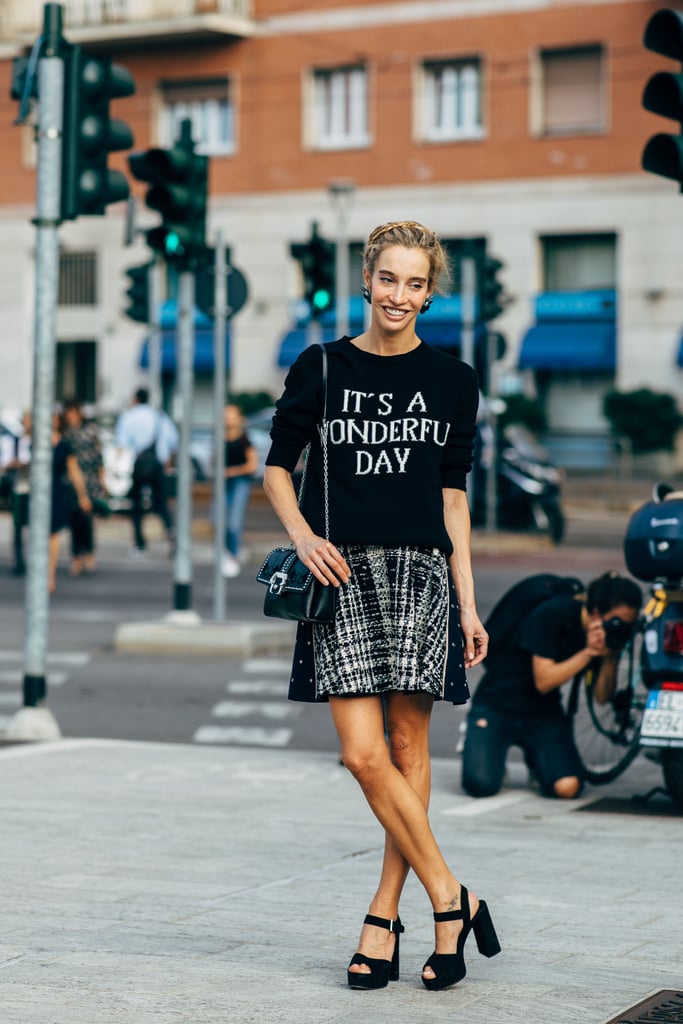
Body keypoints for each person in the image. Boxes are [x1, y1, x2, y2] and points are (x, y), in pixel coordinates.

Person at [263, 221, 499, 992]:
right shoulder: (322, 366)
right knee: (361, 756)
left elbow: (453, 500)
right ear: (367, 281)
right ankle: (450, 897)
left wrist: (468, 603)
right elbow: (275, 468)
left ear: (431, 294)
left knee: (405, 750)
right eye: (389, 279)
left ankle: (383, 914)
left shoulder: (453, 380)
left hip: (421, 575)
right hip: (339, 573)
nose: (400, 295)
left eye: (416, 283)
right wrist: (301, 536)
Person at [461, 571, 643, 800]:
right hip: (497, 705)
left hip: (543, 714)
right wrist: (588, 654)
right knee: (481, 785)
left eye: (628, 625)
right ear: (596, 612)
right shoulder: (553, 613)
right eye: (618, 623)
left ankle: (537, 760)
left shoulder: (606, 637)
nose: (621, 630)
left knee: (568, 788)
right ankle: (476, 737)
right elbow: (544, 681)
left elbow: (602, 697)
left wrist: (609, 657)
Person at [115, 388, 178, 557]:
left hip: (140, 465)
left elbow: (121, 444)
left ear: (135, 399)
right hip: (158, 465)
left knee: (136, 506)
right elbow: (173, 441)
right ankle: (171, 533)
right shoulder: (159, 417)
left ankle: (140, 544)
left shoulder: (129, 417)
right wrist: (168, 463)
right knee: (162, 504)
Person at [62, 399, 105, 576]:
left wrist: (102, 481)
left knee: (87, 521)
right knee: (75, 521)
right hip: (72, 484)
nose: (70, 416)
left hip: (90, 482)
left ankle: (88, 554)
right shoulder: (67, 434)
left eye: (73, 412)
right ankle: (77, 558)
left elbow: (99, 457)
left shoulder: (90, 431)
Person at [49, 411, 91, 594]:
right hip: (38, 492)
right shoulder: (35, 441)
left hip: (56, 492)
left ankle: (49, 575)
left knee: (53, 535)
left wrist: (83, 496)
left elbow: (74, 471)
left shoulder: (64, 445)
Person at [221, 403, 258, 578]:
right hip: (223, 483)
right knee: (219, 519)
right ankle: (228, 552)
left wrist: (231, 471)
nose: (228, 419)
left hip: (239, 482)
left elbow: (253, 465)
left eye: (231, 416)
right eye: (225, 415)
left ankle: (233, 556)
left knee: (234, 521)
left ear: (238, 419)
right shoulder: (220, 438)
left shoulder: (244, 439)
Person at [0, 411, 31, 575]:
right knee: (18, 526)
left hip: (35, 490)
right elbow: (4, 463)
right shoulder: (14, 441)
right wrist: (14, 464)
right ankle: (19, 561)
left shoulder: (39, 441)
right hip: (19, 488)